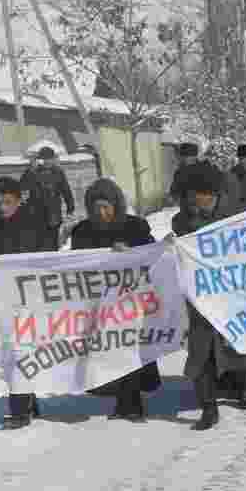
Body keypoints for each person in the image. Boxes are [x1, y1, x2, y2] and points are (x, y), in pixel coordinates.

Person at [172, 163, 246, 430]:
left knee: (238, 341)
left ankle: (244, 387)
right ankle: (208, 406)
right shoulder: (181, 220)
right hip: (200, 295)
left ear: (213, 193)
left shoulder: (237, 217)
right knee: (201, 351)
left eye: (201, 194)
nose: (195, 201)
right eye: (190, 195)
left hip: (234, 293)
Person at [71, 178, 162, 421]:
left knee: (129, 350)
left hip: (131, 303)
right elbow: (74, 264)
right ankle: (121, 399)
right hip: (98, 304)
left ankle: (132, 404)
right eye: (96, 208)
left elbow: (153, 256)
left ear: (116, 205)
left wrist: (131, 252)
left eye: (106, 206)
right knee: (107, 352)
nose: (102, 212)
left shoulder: (135, 227)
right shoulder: (82, 231)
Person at [0, 177, 46, 428]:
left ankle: (21, 408)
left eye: (7, 202)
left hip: (32, 299)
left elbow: (49, 257)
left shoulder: (35, 224)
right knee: (15, 351)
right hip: (4, 302)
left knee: (23, 351)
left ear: (18, 199)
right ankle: (25, 403)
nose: (2, 208)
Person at [20, 146, 75, 251]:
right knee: (38, 243)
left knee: (53, 242)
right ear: (40, 160)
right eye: (44, 159)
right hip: (36, 215)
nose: (47, 161)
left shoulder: (58, 172)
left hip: (53, 214)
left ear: (53, 159)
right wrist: (30, 170)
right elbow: (22, 186)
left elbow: (66, 191)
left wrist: (70, 208)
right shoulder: (33, 172)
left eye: (49, 158)